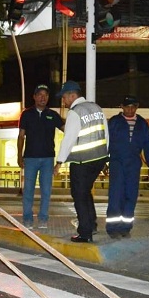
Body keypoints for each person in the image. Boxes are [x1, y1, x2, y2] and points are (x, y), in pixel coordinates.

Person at [53, 81, 109, 243]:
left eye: (64, 97)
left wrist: (59, 162)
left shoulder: (75, 112)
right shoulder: (97, 108)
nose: (63, 101)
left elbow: (68, 139)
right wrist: (106, 157)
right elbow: (106, 134)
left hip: (82, 161)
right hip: (98, 159)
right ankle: (91, 224)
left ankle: (85, 232)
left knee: (79, 195)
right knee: (85, 192)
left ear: (72, 95)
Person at [105, 95, 149, 238]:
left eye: (133, 106)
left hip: (133, 164)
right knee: (115, 196)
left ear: (137, 106)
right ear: (122, 107)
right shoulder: (114, 122)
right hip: (117, 162)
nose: (130, 109)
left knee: (131, 196)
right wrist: (104, 161)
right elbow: (106, 143)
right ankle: (113, 228)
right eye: (127, 106)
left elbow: (147, 145)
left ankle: (125, 228)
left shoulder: (142, 124)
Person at [17, 84, 64, 229]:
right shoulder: (26, 114)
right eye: (40, 95)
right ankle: (27, 219)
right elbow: (21, 136)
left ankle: (43, 218)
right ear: (34, 97)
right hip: (30, 158)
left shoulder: (53, 115)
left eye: (46, 95)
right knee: (28, 190)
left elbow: (67, 132)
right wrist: (19, 156)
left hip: (48, 159)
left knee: (46, 190)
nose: (43, 97)